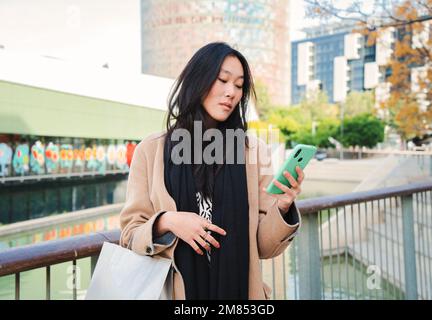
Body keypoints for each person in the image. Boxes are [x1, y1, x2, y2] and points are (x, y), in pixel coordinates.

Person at [119, 42, 304, 300]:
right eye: (222, 80)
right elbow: (130, 235)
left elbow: (263, 247)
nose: (231, 92)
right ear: (199, 81)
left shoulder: (253, 152)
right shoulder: (151, 151)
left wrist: (282, 207)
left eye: (239, 86)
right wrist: (169, 221)